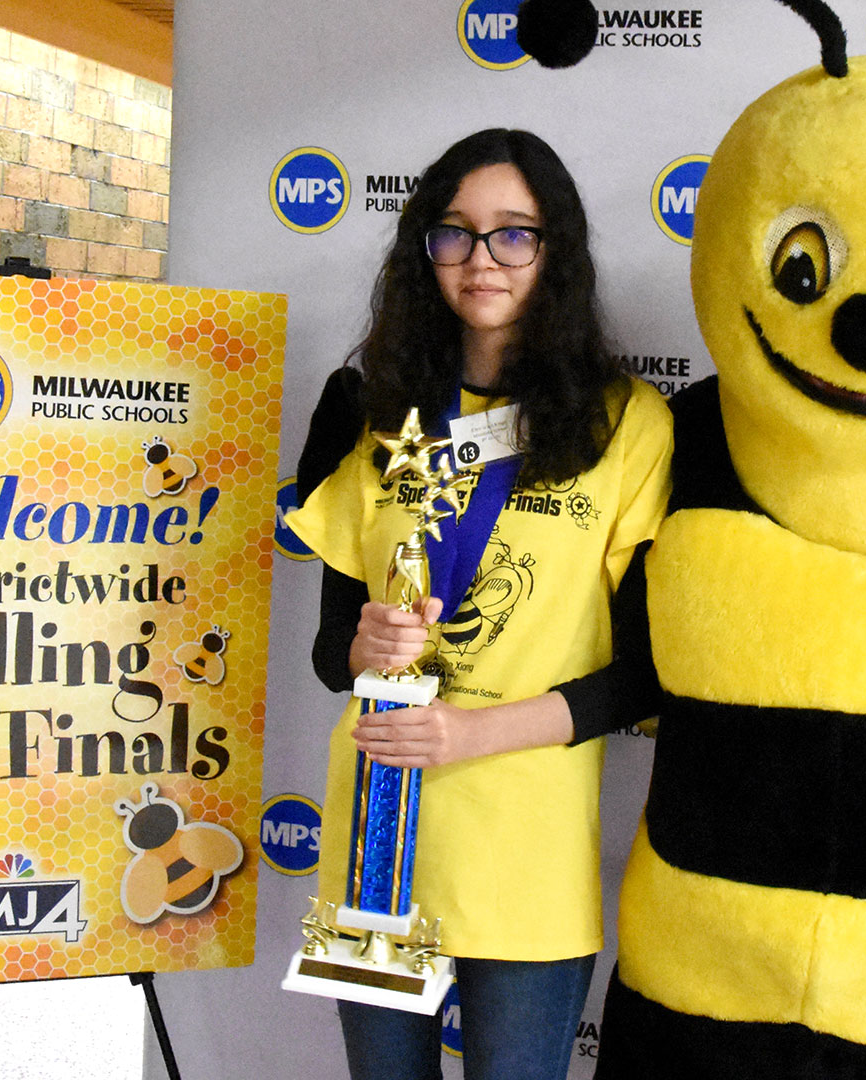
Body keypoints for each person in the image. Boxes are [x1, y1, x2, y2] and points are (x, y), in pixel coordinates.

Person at [286, 128, 673, 1080]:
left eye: (514, 234)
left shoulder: (627, 422)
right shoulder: (365, 399)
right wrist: (362, 647)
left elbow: (642, 675)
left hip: (527, 850)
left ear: (556, 251)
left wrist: (475, 735)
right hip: (378, 837)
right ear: (425, 252)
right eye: (454, 234)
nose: (482, 259)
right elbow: (330, 645)